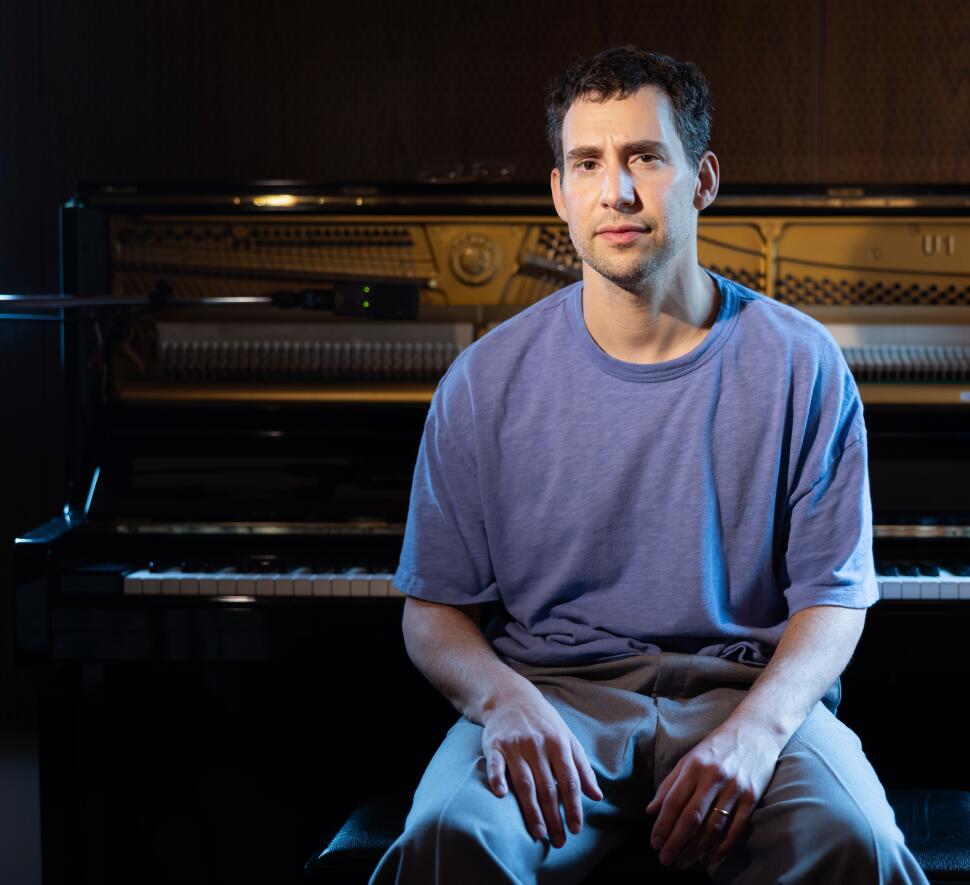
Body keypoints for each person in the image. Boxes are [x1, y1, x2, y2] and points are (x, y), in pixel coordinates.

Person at [372, 45, 927, 885]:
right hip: (552, 694)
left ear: (702, 179)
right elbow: (431, 611)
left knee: (857, 844)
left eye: (645, 158)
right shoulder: (484, 380)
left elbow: (835, 602)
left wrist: (758, 732)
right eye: (587, 163)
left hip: (745, 692)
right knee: (452, 836)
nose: (617, 192)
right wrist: (502, 699)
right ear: (559, 191)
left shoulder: (803, 365)